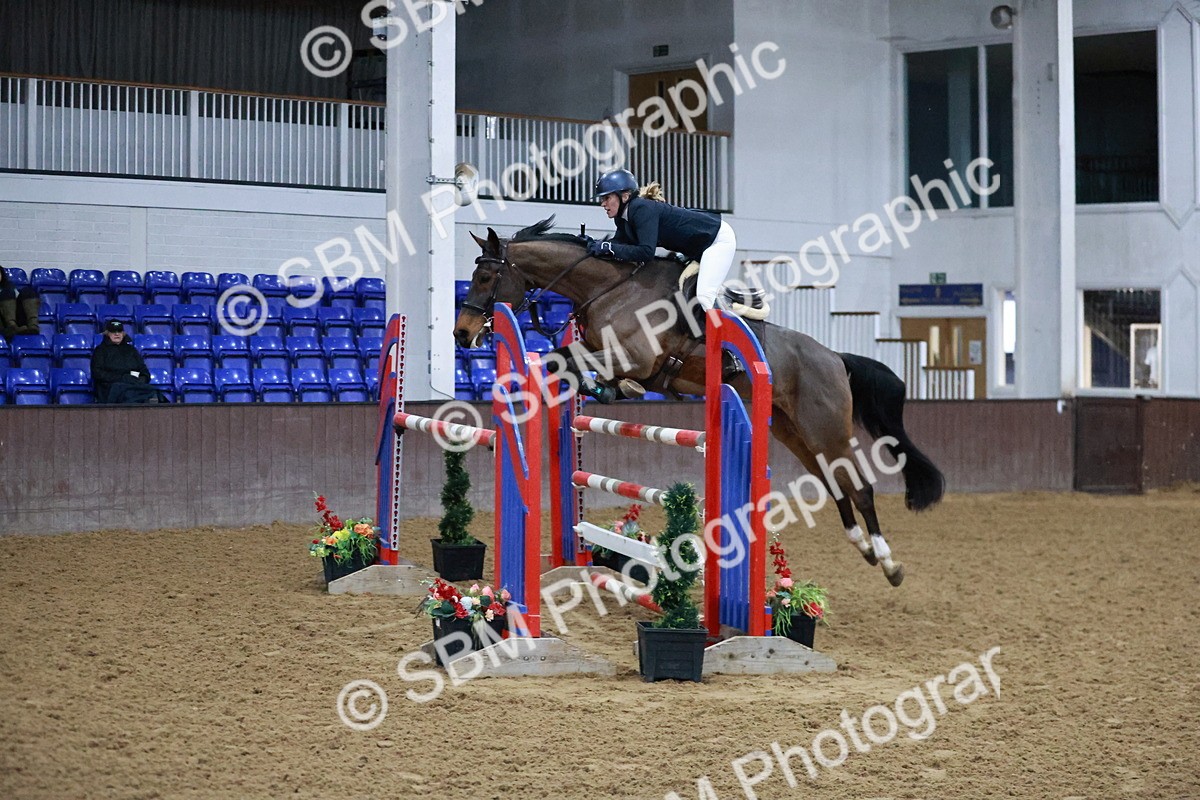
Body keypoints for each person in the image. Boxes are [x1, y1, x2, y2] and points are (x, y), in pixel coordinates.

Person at [585, 168, 737, 312]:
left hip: (717, 240)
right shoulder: (623, 217)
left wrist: (607, 247)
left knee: (705, 297)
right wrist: (590, 245)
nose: (603, 203)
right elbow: (618, 243)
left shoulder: (641, 209)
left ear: (624, 196)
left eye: (607, 198)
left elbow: (646, 252)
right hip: (696, 248)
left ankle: (725, 336)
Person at [91, 320, 163, 403]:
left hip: (133, 384)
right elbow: (97, 373)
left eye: (119, 331)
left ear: (123, 333)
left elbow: (143, 370)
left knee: (153, 391)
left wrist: (142, 379)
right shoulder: (100, 351)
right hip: (111, 387)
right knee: (126, 393)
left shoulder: (131, 350)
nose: (117, 334)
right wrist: (122, 378)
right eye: (113, 331)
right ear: (107, 334)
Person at [0, 265, 41, 340]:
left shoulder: (9, 286)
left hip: (17, 317)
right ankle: (11, 326)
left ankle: (33, 326)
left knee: (28, 291)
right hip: (3, 322)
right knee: (6, 293)